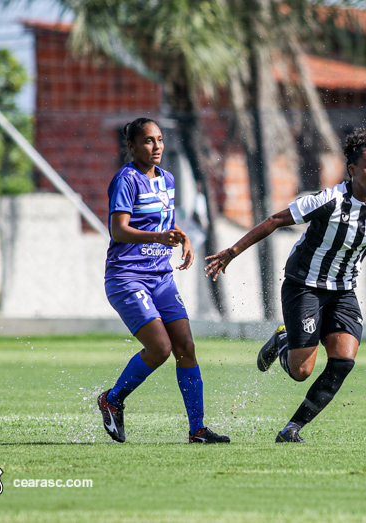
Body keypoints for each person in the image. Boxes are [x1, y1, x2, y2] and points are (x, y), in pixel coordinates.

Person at [204, 128, 366, 443]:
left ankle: (291, 429)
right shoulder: (329, 200)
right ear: (352, 170)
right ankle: (281, 341)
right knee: (301, 372)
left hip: (343, 292)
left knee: (343, 361)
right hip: (304, 286)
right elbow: (273, 221)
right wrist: (231, 252)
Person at [97, 117, 229, 444]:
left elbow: (168, 223)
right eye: (147, 141)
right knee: (159, 348)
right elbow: (118, 230)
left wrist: (182, 240)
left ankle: (197, 430)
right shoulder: (126, 180)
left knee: (186, 347)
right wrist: (159, 235)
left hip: (161, 276)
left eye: (158, 140)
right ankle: (111, 400)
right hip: (127, 278)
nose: (156, 147)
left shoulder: (167, 179)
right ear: (131, 147)